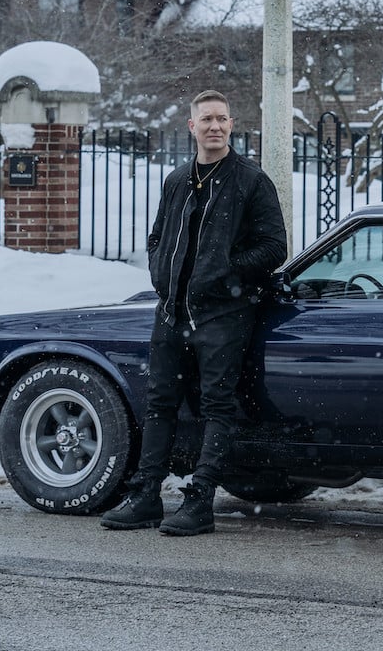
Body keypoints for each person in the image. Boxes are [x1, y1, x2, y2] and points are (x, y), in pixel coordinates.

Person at [101, 89, 288, 536]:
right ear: (192, 126)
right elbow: (156, 237)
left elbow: (275, 247)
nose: (215, 127)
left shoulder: (250, 180)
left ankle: (201, 499)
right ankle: (147, 496)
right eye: (207, 119)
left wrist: (227, 274)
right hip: (170, 313)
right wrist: (160, 274)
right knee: (159, 404)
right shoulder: (178, 179)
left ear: (231, 124)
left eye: (222, 119)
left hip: (223, 315)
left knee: (217, 406)